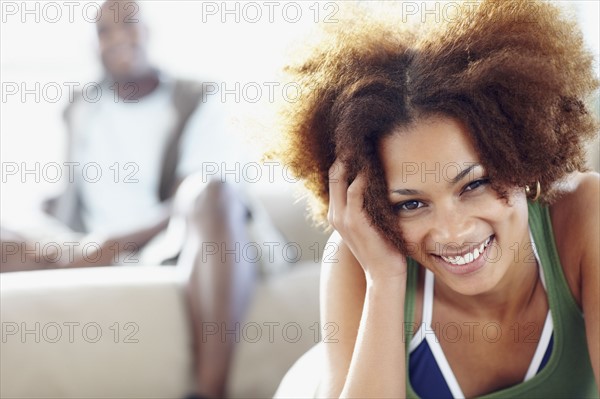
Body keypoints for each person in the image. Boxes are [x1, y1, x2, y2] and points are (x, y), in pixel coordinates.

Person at [272, 0, 599, 397]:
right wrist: (384, 280)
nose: (453, 231)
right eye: (411, 204)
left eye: (473, 185)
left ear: (523, 159)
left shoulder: (584, 214)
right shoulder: (358, 261)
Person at [0, 1, 268, 397]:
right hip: (92, 242)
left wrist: (111, 245)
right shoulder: (81, 106)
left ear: (150, 31)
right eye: (104, 31)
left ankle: (209, 391)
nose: (117, 37)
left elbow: (197, 198)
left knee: (214, 194)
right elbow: (74, 196)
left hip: (177, 241)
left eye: (128, 24)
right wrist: (60, 233)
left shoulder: (197, 97)